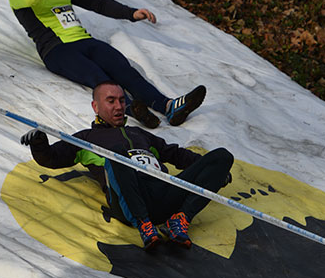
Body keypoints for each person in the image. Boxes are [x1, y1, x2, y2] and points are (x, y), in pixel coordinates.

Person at [8, 0, 206, 128]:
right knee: (99, 78)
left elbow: (96, 2)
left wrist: (131, 13)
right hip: (56, 49)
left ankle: (168, 106)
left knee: (123, 68)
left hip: (84, 41)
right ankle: (134, 110)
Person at [21, 81, 233, 250]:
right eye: (111, 101)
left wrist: (214, 172)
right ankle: (143, 224)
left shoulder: (139, 134)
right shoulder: (86, 138)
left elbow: (176, 154)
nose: (119, 107)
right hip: (129, 203)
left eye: (122, 101)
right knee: (117, 154)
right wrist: (38, 143)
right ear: (95, 106)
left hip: (164, 195)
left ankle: (180, 220)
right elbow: (51, 158)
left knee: (222, 156)